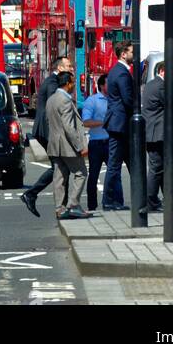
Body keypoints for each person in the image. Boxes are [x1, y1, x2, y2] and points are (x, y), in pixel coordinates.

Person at [21, 55, 71, 218]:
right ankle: (35, 195)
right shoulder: (52, 83)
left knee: (61, 166)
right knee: (60, 166)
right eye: (68, 65)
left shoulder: (53, 81)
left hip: (45, 130)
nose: (71, 68)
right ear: (60, 68)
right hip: (47, 130)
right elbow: (53, 105)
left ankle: (60, 204)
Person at [142, 61, 173, 212]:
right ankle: (151, 200)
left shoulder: (151, 84)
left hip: (156, 132)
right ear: (162, 71)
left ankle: (169, 198)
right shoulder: (160, 86)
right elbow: (172, 104)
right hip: (157, 133)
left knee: (163, 167)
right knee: (156, 168)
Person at [45, 69, 89, 220]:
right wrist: (80, 146)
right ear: (68, 84)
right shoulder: (65, 100)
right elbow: (68, 127)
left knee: (60, 177)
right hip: (67, 145)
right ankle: (73, 205)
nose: (73, 85)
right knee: (81, 173)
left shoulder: (51, 99)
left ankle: (60, 208)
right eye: (72, 82)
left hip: (54, 145)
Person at [102, 41, 135, 211]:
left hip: (119, 124)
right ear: (123, 54)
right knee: (114, 165)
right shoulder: (121, 73)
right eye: (131, 52)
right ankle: (108, 201)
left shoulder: (117, 71)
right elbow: (127, 98)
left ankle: (141, 197)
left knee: (133, 163)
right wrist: (138, 111)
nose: (133, 55)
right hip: (120, 124)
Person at [81, 74, 109, 212]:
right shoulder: (92, 101)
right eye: (109, 84)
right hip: (96, 143)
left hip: (111, 142)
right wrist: (104, 123)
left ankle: (113, 201)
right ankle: (92, 206)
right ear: (103, 85)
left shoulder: (114, 100)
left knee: (114, 174)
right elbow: (86, 122)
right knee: (93, 175)